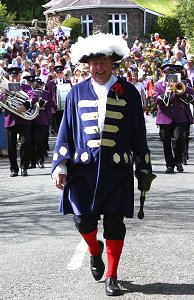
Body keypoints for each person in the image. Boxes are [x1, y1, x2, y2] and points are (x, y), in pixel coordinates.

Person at [51, 33, 153, 296]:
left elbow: (137, 133)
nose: (98, 67)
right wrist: (60, 165)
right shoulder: (76, 92)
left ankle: (112, 276)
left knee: (115, 224)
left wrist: (143, 167)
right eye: (93, 63)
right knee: (82, 220)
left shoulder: (128, 92)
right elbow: (67, 130)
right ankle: (94, 251)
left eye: (103, 62)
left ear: (112, 62)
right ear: (87, 65)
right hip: (82, 169)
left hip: (117, 169)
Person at [154, 63, 194, 173]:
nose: (169, 75)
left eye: (171, 73)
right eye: (167, 73)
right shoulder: (158, 85)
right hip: (164, 117)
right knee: (166, 142)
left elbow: (191, 96)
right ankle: (169, 165)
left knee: (179, 140)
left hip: (179, 117)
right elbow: (156, 100)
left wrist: (181, 91)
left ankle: (178, 161)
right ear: (163, 74)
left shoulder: (183, 83)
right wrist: (165, 94)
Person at [0, 66, 38, 176]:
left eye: (16, 76)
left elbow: (34, 96)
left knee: (26, 144)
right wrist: (4, 97)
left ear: (20, 76)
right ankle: (13, 169)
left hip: (24, 120)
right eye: (12, 77)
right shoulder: (5, 89)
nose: (14, 78)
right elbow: (1, 100)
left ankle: (24, 167)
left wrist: (25, 105)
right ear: (10, 78)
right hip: (10, 120)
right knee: (11, 146)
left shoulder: (25, 87)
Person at [45, 64, 72, 135]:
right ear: (55, 74)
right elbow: (49, 95)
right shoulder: (51, 83)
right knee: (56, 125)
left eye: (61, 72)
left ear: (63, 73)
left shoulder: (68, 82)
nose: (59, 74)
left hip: (65, 107)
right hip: (55, 107)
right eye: (58, 73)